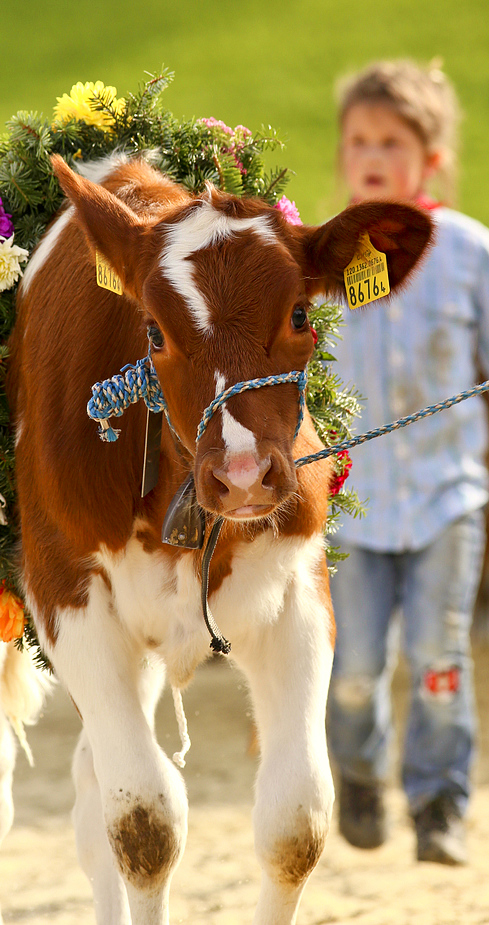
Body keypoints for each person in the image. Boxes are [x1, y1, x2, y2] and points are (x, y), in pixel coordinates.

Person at [327, 59, 489, 866]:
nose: (372, 153)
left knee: (437, 656)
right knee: (354, 666)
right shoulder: (323, 257)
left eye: (391, 139)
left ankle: (438, 804)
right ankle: (356, 777)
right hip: (353, 509)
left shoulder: (468, 252)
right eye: (358, 139)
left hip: (445, 497)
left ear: (428, 156)